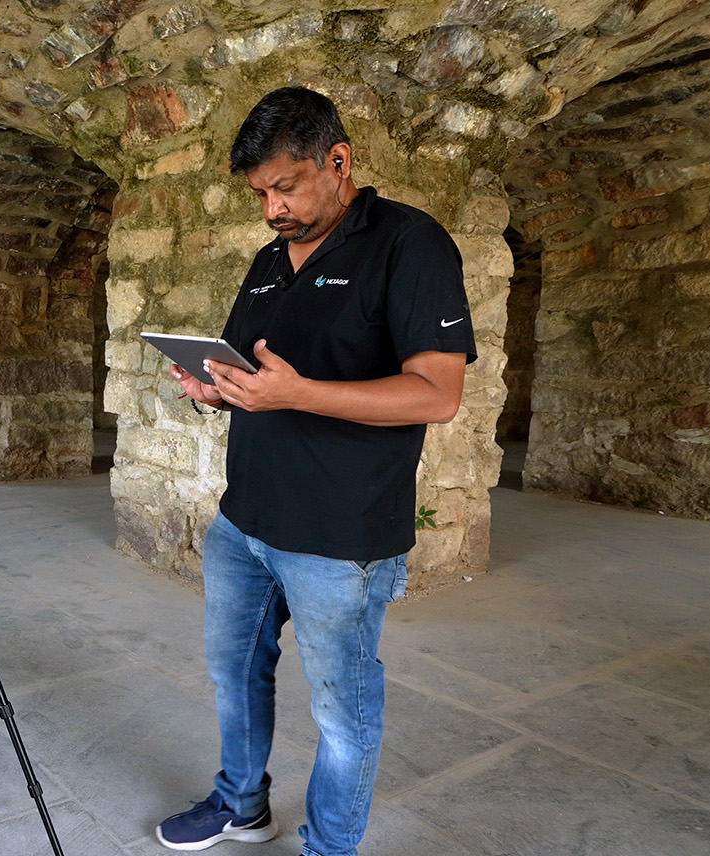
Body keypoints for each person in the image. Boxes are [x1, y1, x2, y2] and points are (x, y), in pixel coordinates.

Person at [154, 87, 477, 856]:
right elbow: (250, 377)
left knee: (342, 710)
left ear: (338, 161)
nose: (271, 209)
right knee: (233, 673)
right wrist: (213, 391)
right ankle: (241, 803)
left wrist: (297, 393)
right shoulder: (269, 260)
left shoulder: (411, 244)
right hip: (247, 520)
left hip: (340, 535)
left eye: (286, 186)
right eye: (260, 193)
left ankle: (331, 846)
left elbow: (438, 395)